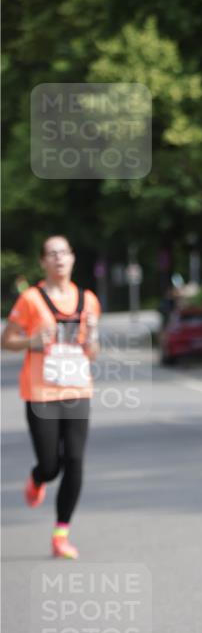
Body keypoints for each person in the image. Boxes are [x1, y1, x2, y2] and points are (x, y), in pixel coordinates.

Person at [1, 236, 101, 559]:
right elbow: (6, 340)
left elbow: (94, 351)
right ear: (43, 262)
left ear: (73, 258)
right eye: (52, 254)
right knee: (50, 465)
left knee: (74, 461)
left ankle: (61, 534)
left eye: (64, 253)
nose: (59, 259)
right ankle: (36, 478)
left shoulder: (88, 300)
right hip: (41, 392)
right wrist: (32, 340)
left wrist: (93, 339)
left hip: (77, 390)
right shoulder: (32, 299)